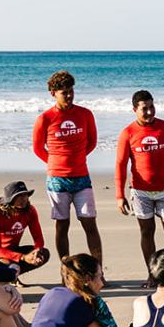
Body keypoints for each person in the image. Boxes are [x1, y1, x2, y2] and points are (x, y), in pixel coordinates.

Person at [115, 90, 164, 287]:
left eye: (151, 107)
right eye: (144, 109)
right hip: (140, 192)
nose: (149, 112)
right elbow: (120, 165)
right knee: (147, 232)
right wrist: (119, 195)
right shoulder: (128, 133)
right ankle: (153, 275)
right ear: (135, 110)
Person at [32, 70, 102, 269]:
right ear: (53, 93)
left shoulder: (85, 114)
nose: (69, 95)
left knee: (90, 224)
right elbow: (38, 148)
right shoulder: (45, 119)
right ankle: (67, 272)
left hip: (82, 178)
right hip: (57, 180)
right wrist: (55, 162)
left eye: (71, 91)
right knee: (62, 226)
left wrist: (77, 159)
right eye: (64, 92)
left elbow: (92, 142)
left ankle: (98, 271)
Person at [0, 181, 51, 278]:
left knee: (44, 254)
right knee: (6, 263)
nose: (24, 199)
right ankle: (4, 277)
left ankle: (13, 275)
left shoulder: (30, 211)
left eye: (25, 195)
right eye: (19, 196)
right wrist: (22, 257)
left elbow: (38, 237)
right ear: (10, 199)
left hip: (14, 250)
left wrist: (37, 251)